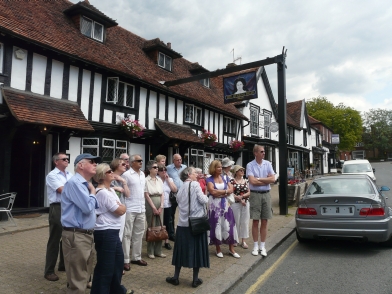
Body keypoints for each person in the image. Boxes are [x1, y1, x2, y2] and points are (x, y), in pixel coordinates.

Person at [61, 153, 101, 293]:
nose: (95, 164)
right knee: (77, 277)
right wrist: (93, 192)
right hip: (76, 235)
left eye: (96, 162)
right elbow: (87, 207)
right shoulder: (75, 183)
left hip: (84, 235)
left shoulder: (83, 184)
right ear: (81, 165)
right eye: (92, 162)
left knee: (83, 273)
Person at [91, 163, 133, 294]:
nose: (112, 173)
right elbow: (120, 210)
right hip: (105, 231)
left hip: (113, 231)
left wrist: (121, 207)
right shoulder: (103, 193)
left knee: (117, 263)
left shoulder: (111, 191)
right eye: (109, 171)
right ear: (103, 176)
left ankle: (116, 290)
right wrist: (121, 207)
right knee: (105, 267)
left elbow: (121, 207)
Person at [166, 167, 209, 288]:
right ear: (189, 175)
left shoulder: (181, 187)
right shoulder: (195, 184)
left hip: (182, 224)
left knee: (180, 251)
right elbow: (203, 199)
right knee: (197, 251)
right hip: (196, 222)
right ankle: (195, 280)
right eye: (195, 172)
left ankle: (175, 277)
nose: (197, 174)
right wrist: (207, 195)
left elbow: (179, 202)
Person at [44, 152, 73, 282]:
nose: (67, 160)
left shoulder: (70, 174)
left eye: (67, 159)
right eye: (64, 159)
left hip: (69, 208)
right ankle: (49, 270)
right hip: (58, 207)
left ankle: (63, 265)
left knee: (66, 238)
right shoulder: (52, 175)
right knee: (55, 239)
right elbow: (63, 190)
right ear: (56, 162)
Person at [246, 144, 276, 257]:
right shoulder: (250, 165)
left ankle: (262, 246)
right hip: (255, 195)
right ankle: (255, 246)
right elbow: (252, 182)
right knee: (255, 221)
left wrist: (259, 179)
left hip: (266, 194)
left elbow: (273, 179)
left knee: (264, 221)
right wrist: (266, 180)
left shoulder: (268, 164)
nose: (264, 153)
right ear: (256, 153)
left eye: (264, 151)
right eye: (262, 151)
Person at [206, 160, 239, 258]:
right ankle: (218, 249)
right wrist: (225, 192)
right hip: (214, 206)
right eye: (218, 167)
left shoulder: (225, 177)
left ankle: (231, 249)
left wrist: (221, 192)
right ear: (213, 168)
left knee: (230, 224)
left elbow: (231, 189)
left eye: (221, 167)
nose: (220, 169)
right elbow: (212, 192)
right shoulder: (209, 179)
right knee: (217, 225)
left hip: (225, 205)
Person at [122, 154, 148, 270]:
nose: (141, 162)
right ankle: (125, 259)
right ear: (132, 163)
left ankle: (136, 257)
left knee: (139, 233)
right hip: (130, 207)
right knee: (127, 234)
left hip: (141, 207)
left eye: (141, 160)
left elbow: (143, 191)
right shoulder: (126, 175)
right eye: (138, 161)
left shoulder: (142, 174)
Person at [144, 160, 166, 259]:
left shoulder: (160, 180)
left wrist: (161, 206)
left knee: (159, 227)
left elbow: (162, 194)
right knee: (151, 226)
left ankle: (158, 250)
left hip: (159, 202)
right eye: (155, 167)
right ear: (149, 169)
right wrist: (153, 207)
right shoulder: (145, 180)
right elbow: (146, 195)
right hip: (150, 202)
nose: (157, 169)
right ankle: (150, 251)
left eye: (157, 167)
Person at [166, 154, 187, 241]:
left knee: (184, 212)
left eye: (180, 159)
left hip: (183, 193)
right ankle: (171, 234)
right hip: (174, 194)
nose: (179, 161)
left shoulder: (185, 167)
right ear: (173, 160)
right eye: (177, 160)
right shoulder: (168, 168)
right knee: (172, 214)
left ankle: (184, 232)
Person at [230, 165, 250, 249]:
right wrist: (236, 197)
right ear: (236, 172)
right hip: (235, 203)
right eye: (240, 170)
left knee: (245, 222)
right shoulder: (232, 181)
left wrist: (242, 197)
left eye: (243, 170)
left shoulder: (246, 181)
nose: (242, 171)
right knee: (236, 221)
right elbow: (230, 192)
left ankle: (243, 241)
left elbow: (249, 192)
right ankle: (235, 239)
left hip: (245, 203)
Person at [157, 164, 177, 250]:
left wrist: (168, 180)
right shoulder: (156, 180)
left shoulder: (169, 179)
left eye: (165, 170)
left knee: (167, 223)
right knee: (158, 223)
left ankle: (166, 241)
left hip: (168, 204)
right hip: (158, 204)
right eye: (162, 170)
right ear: (158, 172)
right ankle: (157, 240)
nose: (164, 172)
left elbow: (174, 189)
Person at [110, 158, 130, 241]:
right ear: (116, 165)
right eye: (123, 164)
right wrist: (115, 188)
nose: (125, 165)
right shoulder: (109, 176)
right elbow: (103, 188)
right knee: (113, 232)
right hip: (112, 208)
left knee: (121, 232)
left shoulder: (123, 178)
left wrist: (123, 182)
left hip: (122, 207)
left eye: (125, 164)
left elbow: (128, 194)